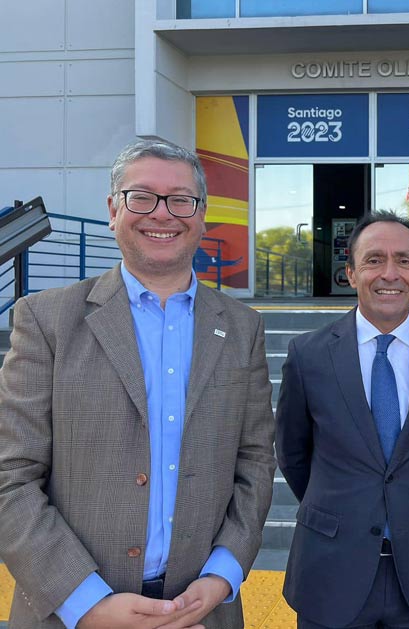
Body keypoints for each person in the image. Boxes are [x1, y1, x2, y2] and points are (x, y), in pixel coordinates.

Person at [0, 139, 276, 629]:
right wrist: (86, 602)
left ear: (202, 215)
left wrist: (223, 575)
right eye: (142, 197)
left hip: (203, 612)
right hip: (69, 614)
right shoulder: (46, 320)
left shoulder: (242, 327)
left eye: (180, 199)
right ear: (113, 211)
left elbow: (254, 462)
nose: (162, 213)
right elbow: (11, 476)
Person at [275, 211, 409, 629]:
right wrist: (340, 506)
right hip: (331, 568)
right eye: (374, 260)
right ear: (350, 272)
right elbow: (293, 453)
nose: (390, 274)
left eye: (404, 260)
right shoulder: (308, 355)